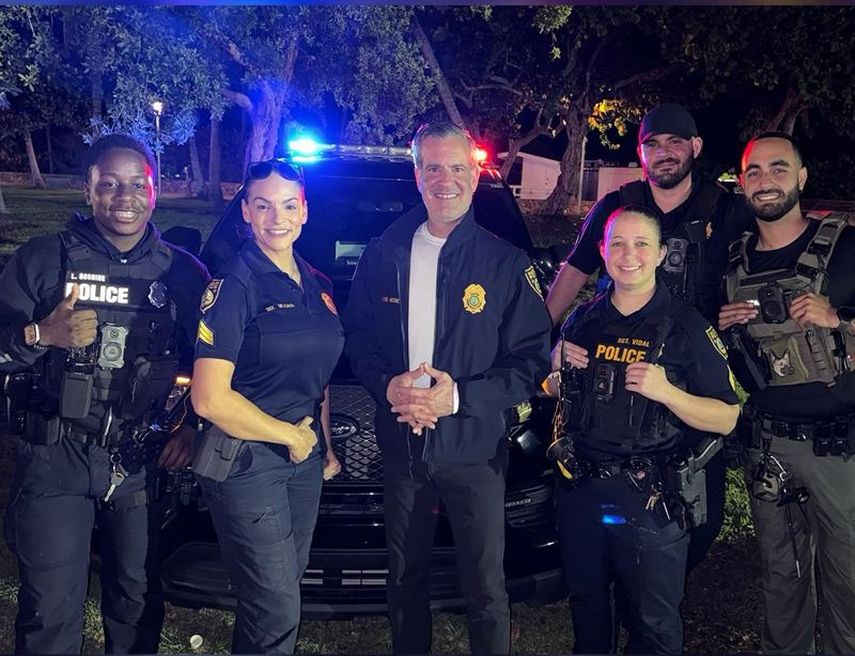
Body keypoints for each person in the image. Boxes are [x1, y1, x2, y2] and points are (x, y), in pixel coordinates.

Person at [343, 122, 551, 655]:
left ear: (475, 173)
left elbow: (528, 362)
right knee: (405, 579)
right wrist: (387, 387)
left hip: (475, 452)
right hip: (402, 448)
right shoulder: (384, 251)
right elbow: (359, 339)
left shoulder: (505, 263)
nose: (445, 179)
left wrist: (457, 398)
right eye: (432, 167)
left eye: (457, 167)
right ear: (417, 175)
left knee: (485, 588)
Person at [0, 134, 209, 654]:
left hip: (139, 460)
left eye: (138, 184)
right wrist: (40, 336)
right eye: (109, 184)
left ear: (155, 191)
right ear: (86, 190)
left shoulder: (183, 273)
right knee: (50, 609)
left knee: (136, 601)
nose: (125, 196)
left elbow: (211, 364)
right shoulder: (43, 260)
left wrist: (191, 426)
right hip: (56, 456)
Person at [546, 102, 752, 570]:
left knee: (703, 508)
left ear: (695, 147)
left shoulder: (726, 208)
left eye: (674, 142)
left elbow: (765, 262)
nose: (663, 153)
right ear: (641, 153)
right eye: (652, 144)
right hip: (620, 364)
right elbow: (575, 273)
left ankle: (664, 575)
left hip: (692, 368)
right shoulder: (616, 206)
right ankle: (624, 580)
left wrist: (753, 309)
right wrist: (540, 337)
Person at [546, 206, 739, 654]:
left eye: (640, 244)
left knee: (653, 621)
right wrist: (553, 376)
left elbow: (727, 417)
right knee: (588, 601)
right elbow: (563, 395)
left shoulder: (688, 328)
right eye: (617, 243)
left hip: (649, 495)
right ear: (602, 250)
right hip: (580, 489)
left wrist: (669, 393)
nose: (627, 254)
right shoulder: (583, 321)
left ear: (659, 254)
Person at [190, 158, 344, 655]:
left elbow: (317, 378)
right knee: (277, 605)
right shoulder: (234, 284)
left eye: (287, 205)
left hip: (302, 463)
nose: (277, 217)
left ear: (305, 211)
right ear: (247, 215)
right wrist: (291, 436)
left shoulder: (318, 285)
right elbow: (209, 397)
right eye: (263, 205)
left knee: (274, 595)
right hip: (247, 462)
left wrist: (323, 446)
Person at [718, 133, 855, 655]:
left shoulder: (846, 246)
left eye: (779, 168)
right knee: (782, 579)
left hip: (841, 452)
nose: (765, 179)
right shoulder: (733, 265)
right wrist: (726, 324)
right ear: (742, 182)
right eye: (753, 171)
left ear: (801, 177)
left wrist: (837, 317)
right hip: (770, 448)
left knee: (849, 585)